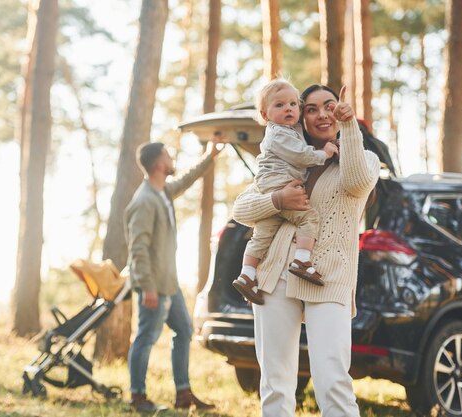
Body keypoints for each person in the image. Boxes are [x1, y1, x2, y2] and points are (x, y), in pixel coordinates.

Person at [232, 84, 380, 417]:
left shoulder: (363, 157)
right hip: (275, 275)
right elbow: (241, 209)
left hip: (328, 277)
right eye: (311, 108)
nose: (321, 113)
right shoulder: (288, 159)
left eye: (330, 105)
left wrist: (350, 125)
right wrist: (276, 200)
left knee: (332, 380)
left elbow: (356, 181)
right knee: (275, 382)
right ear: (302, 117)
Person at [124, 140, 223, 412]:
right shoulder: (144, 201)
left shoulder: (162, 192)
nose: (171, 158)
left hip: (170, 282)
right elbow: (138, 248)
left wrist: (209, 155)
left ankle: (183, 394)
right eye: (168, 155)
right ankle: (137, 397)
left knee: (184, 330)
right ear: (158, 163)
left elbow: (187, 179)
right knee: (146, 337)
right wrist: (148, 288)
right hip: (153, 284)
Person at [232, 79, 338, 305]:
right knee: (309, 218)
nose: (288, 109)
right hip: (278, 185)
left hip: (272, 185)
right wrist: (324, 154)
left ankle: (247, 274)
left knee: (262, 233)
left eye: (293, 104)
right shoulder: (280, 134)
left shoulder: (288, 130)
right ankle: (302, 260)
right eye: (279, 105)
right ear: (264, 114)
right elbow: (301, 155)